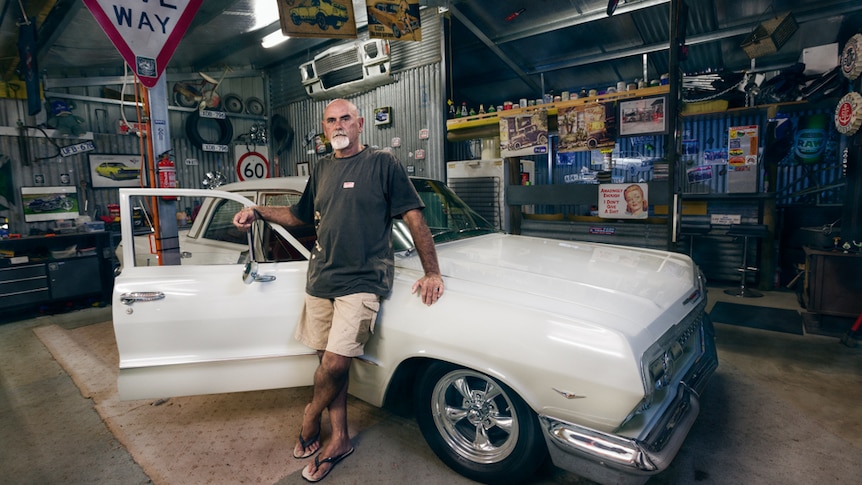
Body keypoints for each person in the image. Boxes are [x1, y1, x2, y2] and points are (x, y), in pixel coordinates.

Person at [232, 99, 444, 482]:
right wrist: (258, 211)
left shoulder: (382, 163)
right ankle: (340, 438)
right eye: (331, 120)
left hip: (362, 279)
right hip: (320, 279)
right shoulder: (323, 167)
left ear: (360, 124)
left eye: (345, 118)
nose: (338, 125)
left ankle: (310, 417)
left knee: (335, 363)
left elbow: (414, 217)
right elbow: (298, 216)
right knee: (327, 365)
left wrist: (433, 272)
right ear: (324, 128)